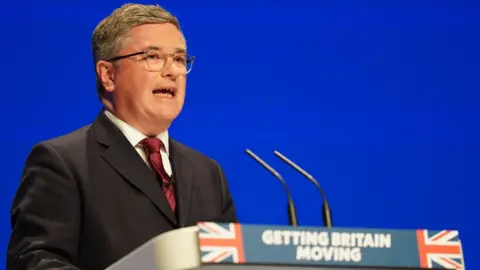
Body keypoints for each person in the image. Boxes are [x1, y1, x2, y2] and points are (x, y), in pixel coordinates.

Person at [6, 3, 238, 270]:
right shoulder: (61, 163)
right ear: (108, 75)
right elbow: (35, 261)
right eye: (153, 57)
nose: (172, 71)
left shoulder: (208, 173)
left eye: (178, 59)